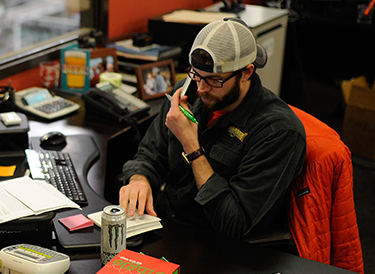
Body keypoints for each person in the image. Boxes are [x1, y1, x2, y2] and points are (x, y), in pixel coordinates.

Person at [118, 18, 306, 239]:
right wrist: (140, 178)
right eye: (195, 74)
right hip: (166, 224)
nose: (201, 88)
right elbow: (149, 153)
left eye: (214, 80)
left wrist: (192, 146)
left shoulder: (278, 132)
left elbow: (233, 222)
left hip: (217, 248)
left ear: (246, 72)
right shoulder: (188, 92)